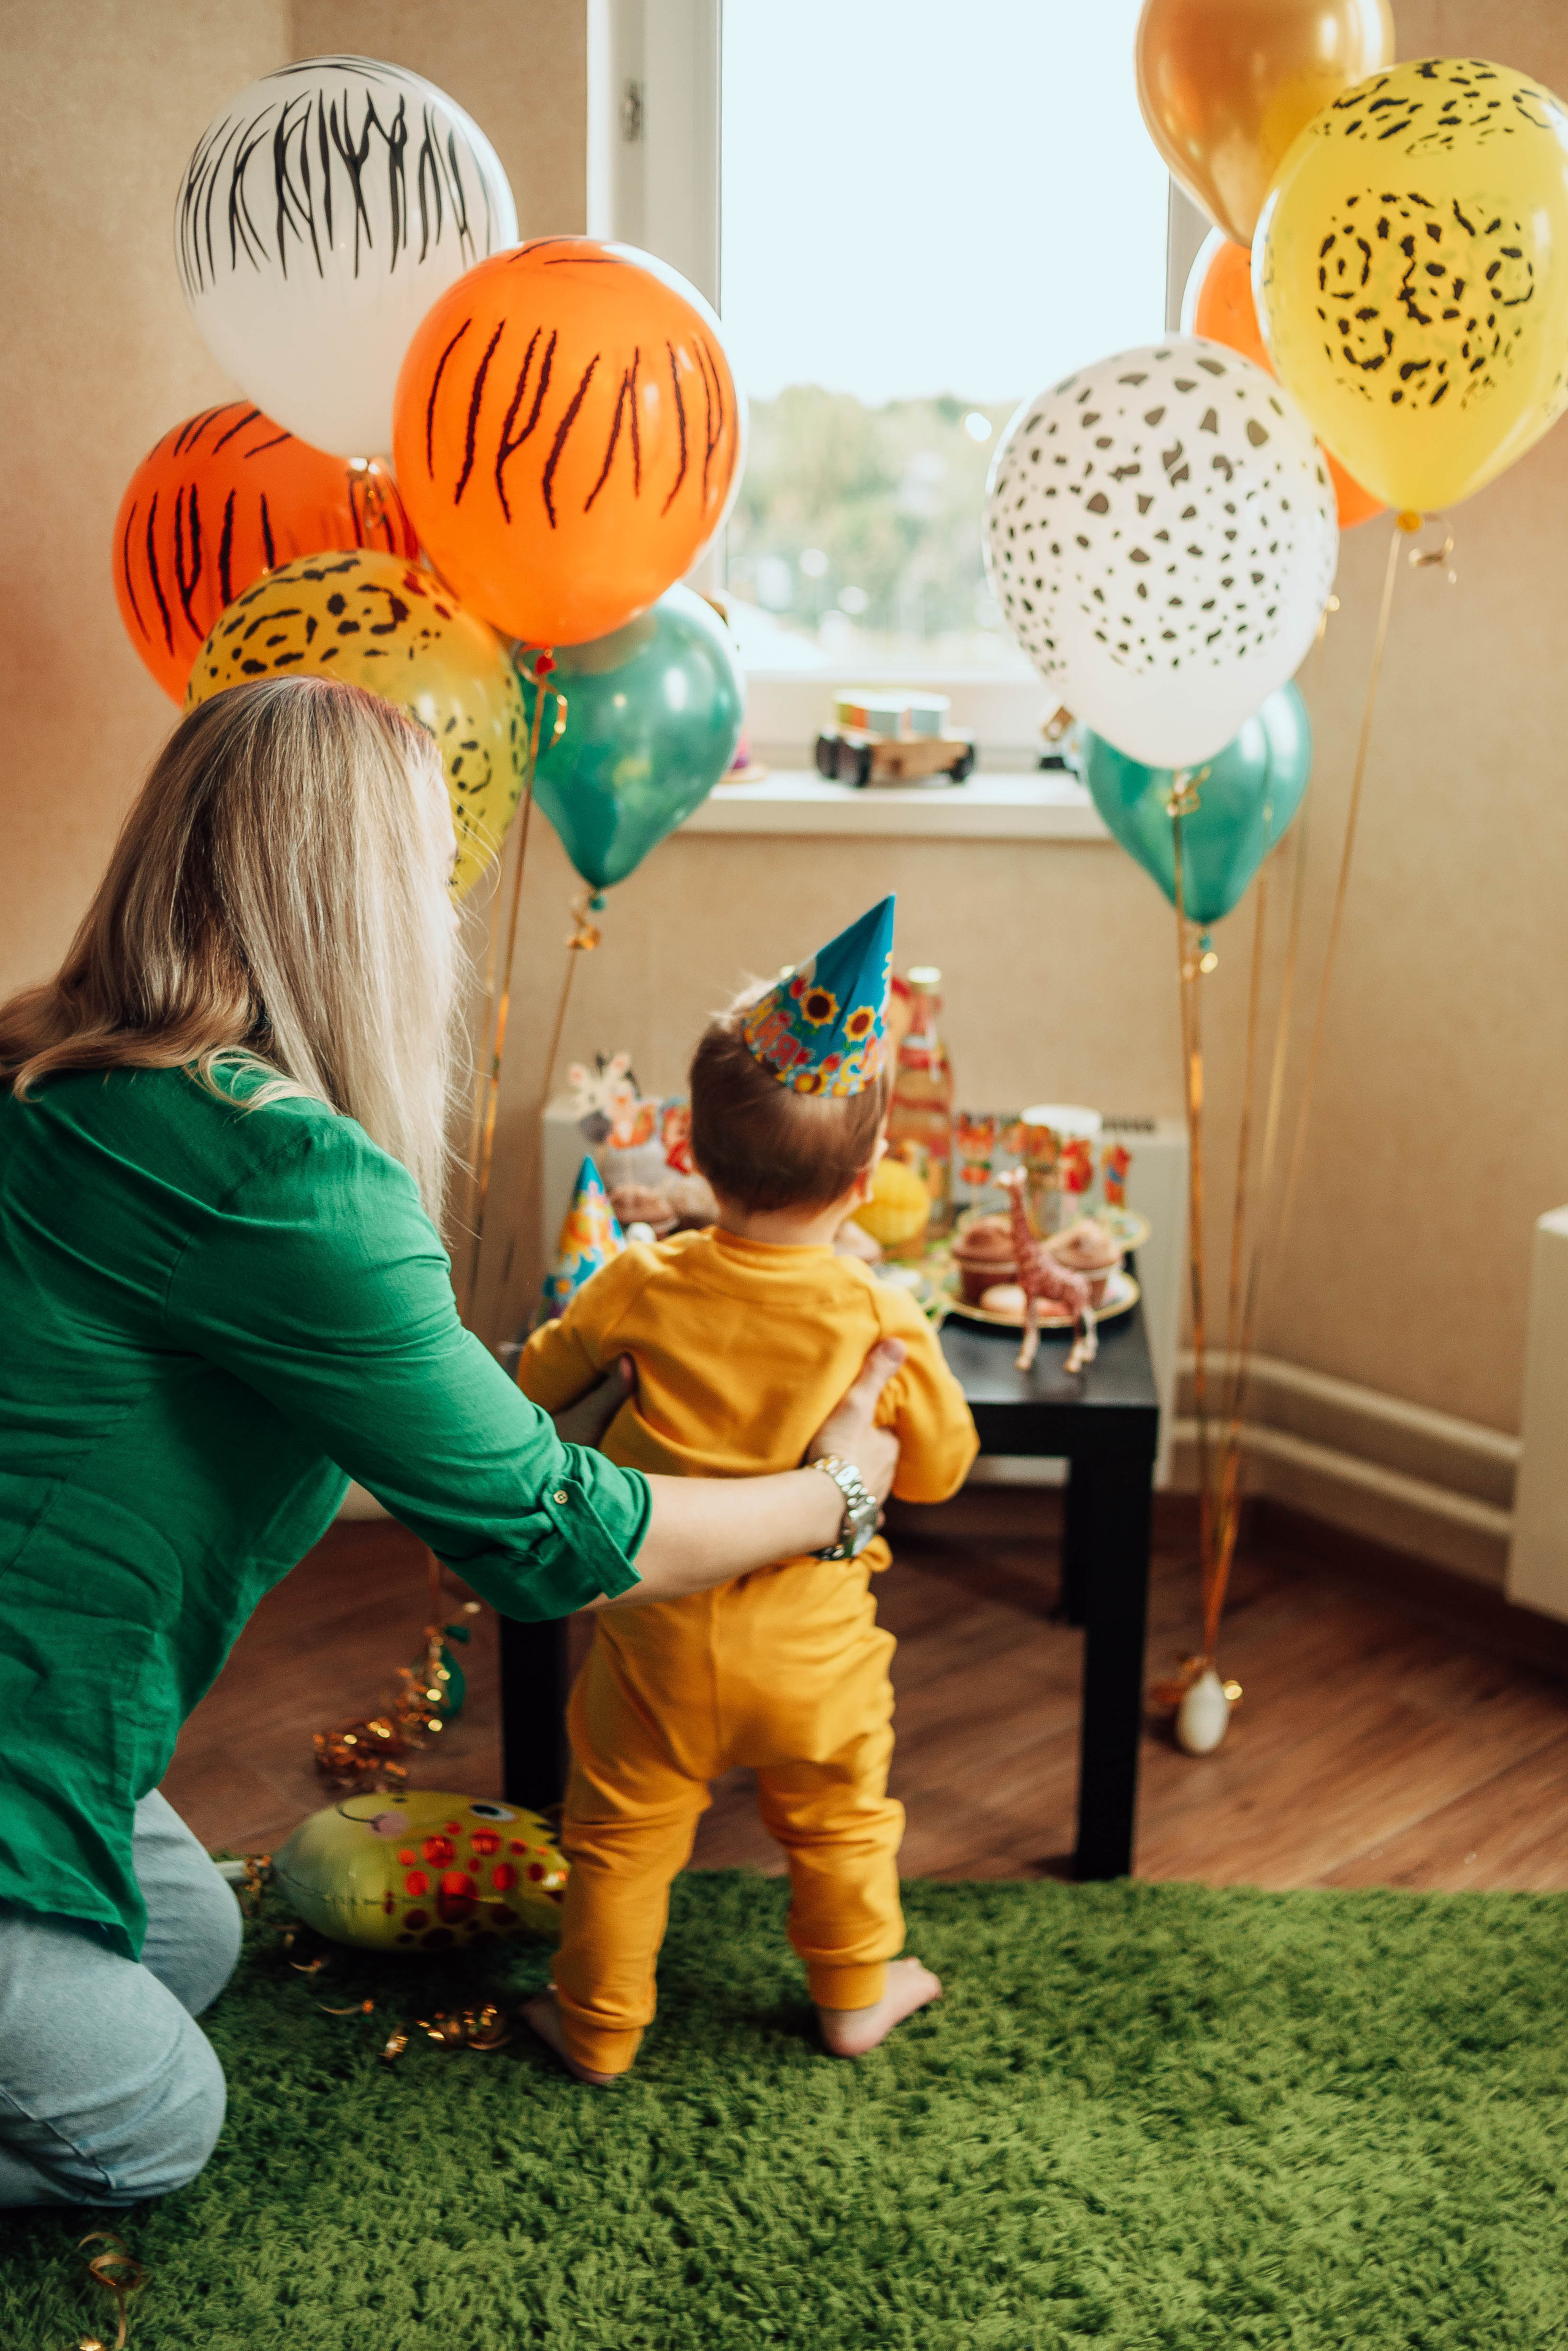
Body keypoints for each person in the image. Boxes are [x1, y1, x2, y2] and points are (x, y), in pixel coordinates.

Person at [0, 679, 904, 2209]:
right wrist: (837, 1494)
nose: (445, 908)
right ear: (354, 904)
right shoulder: (285, 1173)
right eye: (430, 872)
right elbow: (552, 1538)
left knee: (193, 1940)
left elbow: (408, 1402)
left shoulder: (50, 1061)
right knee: (152, 2127)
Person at [515, 897, 978, 2086]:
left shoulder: (639, 1279)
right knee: (840, 1823)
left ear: (687, 1150)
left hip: (653, 1638)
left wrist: (610, 1350)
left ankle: (601, 2029)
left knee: (617, 1839)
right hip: (813, 1654)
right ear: (869, 1178)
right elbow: (935, 1470)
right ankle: (854, 1995)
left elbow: (537, 1376)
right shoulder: (882, 1313)